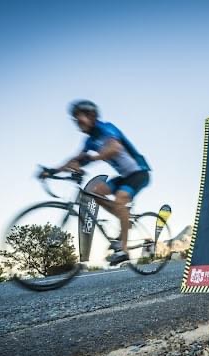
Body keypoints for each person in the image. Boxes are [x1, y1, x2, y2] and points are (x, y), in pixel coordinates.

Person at [41, 100, 151, 264]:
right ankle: (125, 220)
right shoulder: (89, 141)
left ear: (92, 116)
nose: (77, 122)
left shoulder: (106, 128)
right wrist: (53, 171)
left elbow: (115, 148)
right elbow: (76, 160)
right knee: (93, 192)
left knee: (120, 199)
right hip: (124, 177)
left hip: (139, 172)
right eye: (75, 119)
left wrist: (93, 157)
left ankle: (124, 249)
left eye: (80, 118)